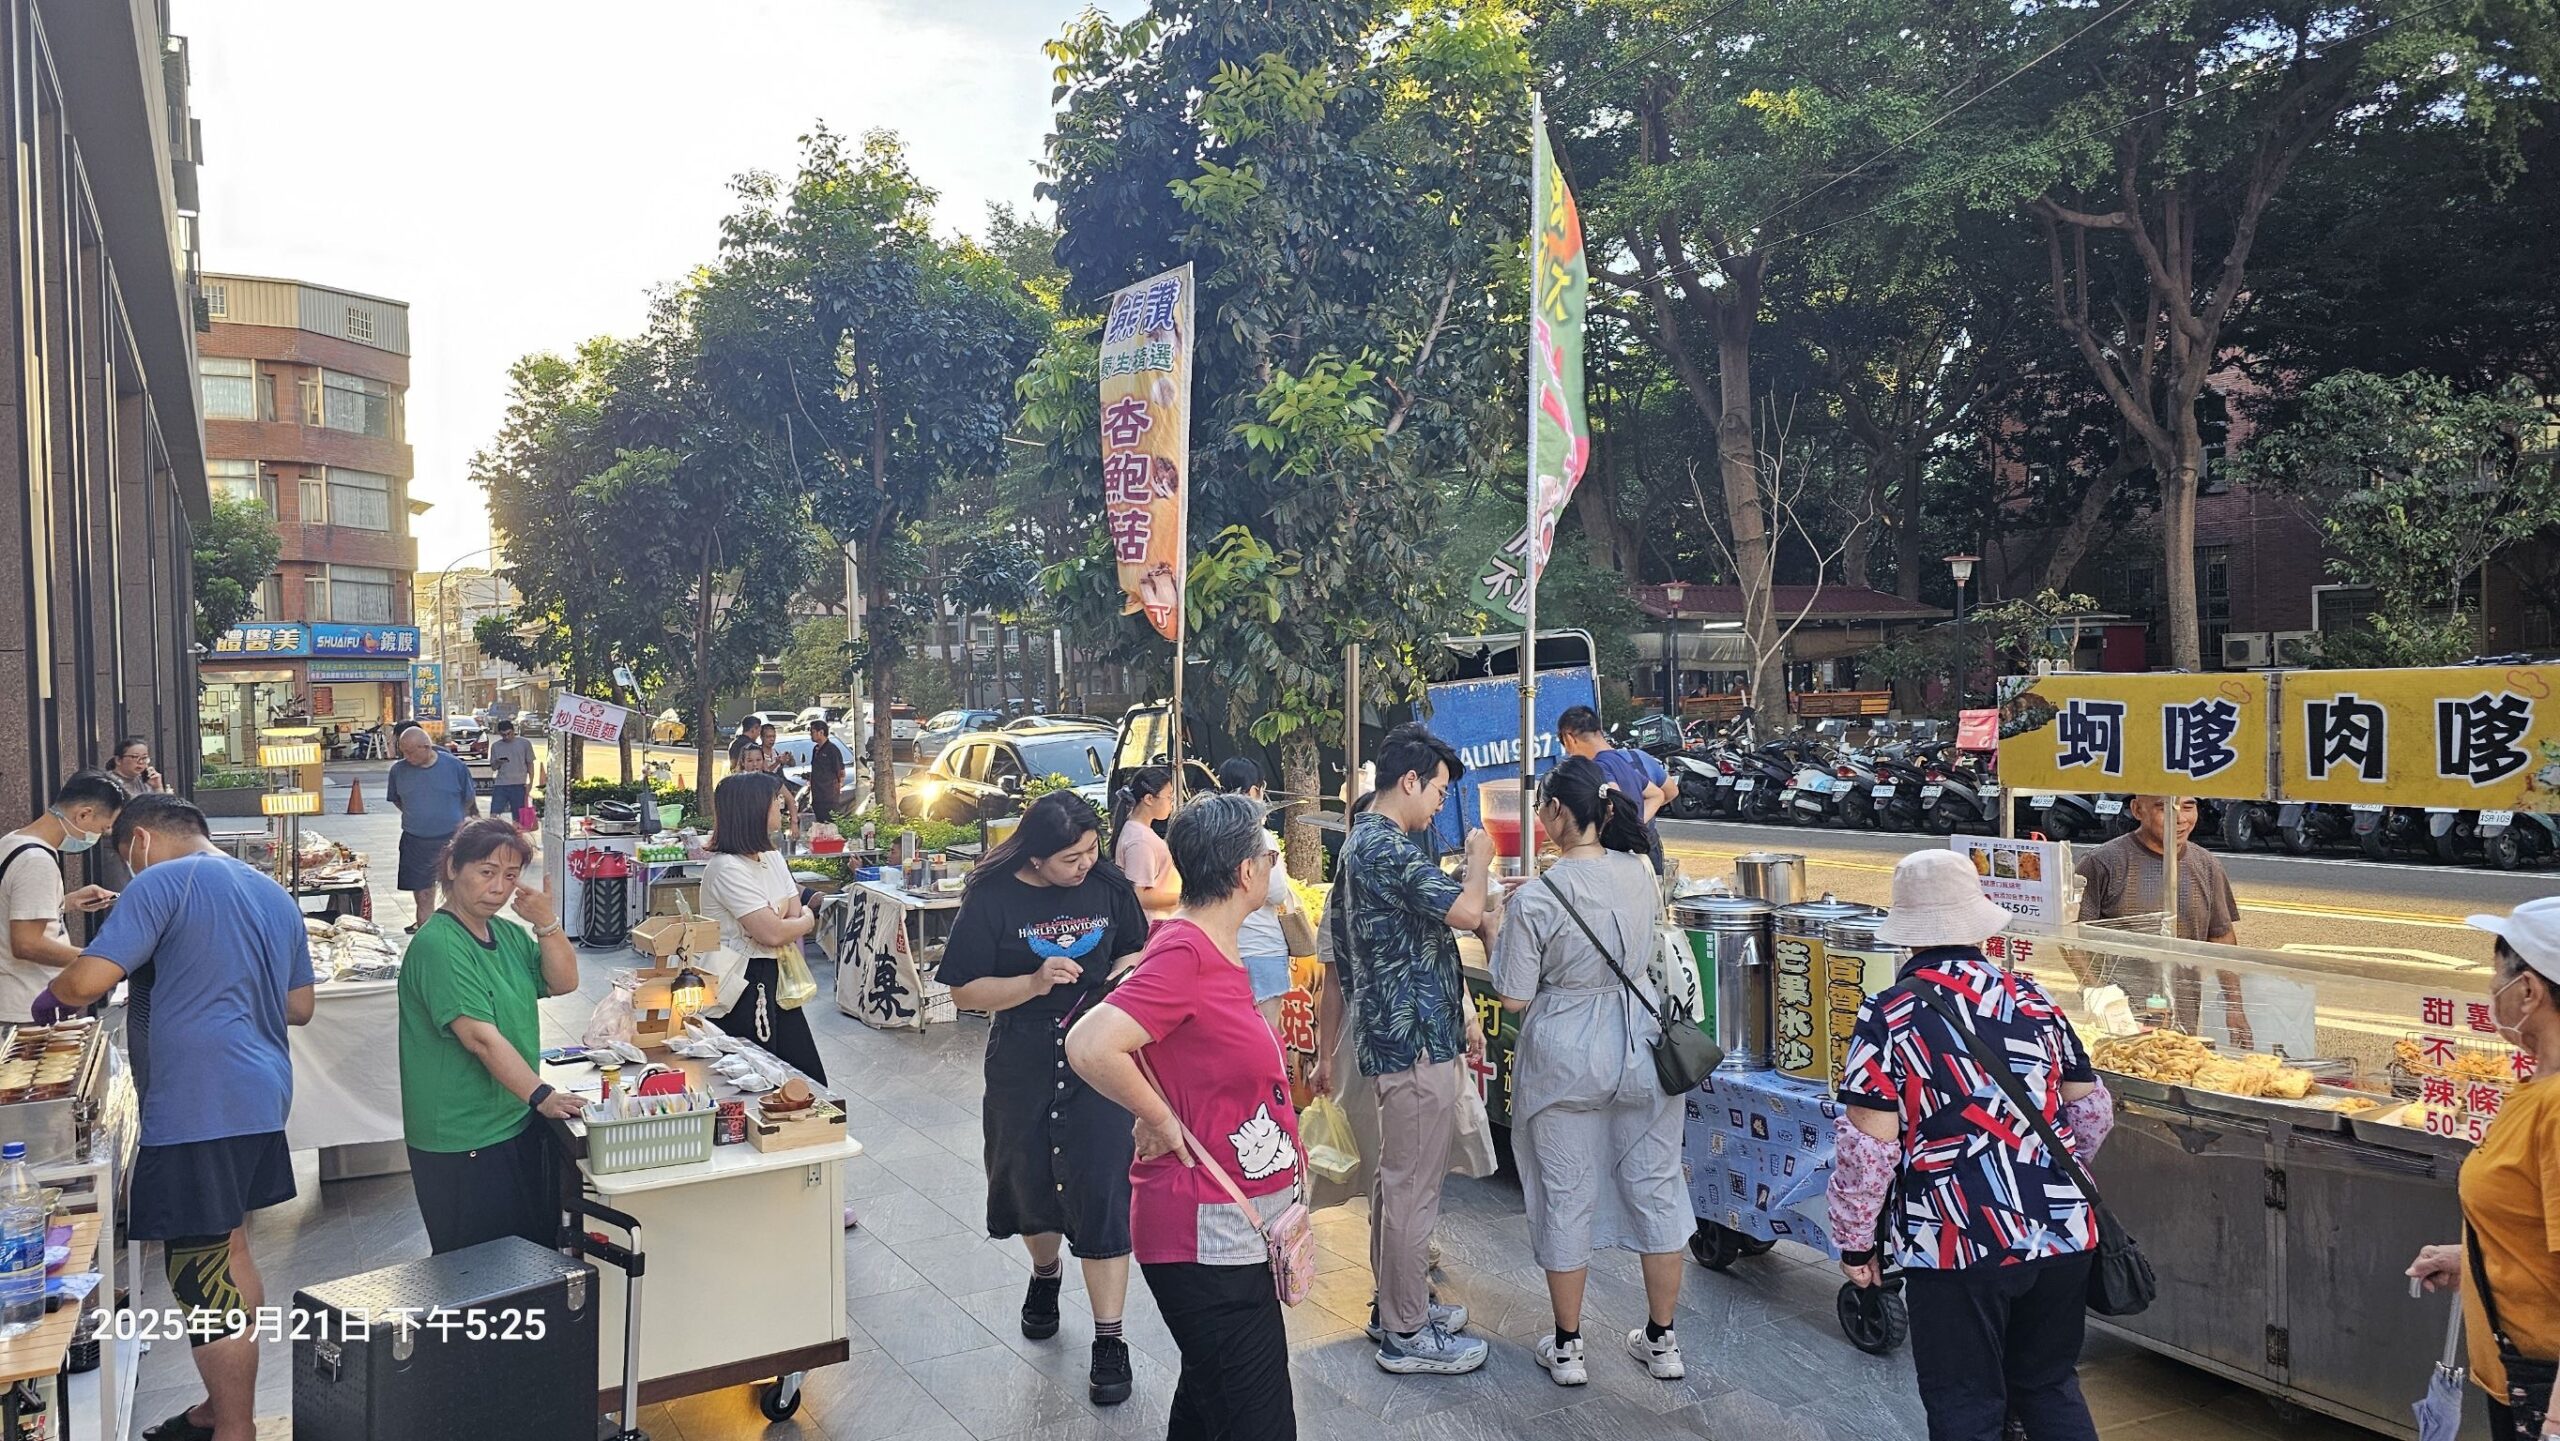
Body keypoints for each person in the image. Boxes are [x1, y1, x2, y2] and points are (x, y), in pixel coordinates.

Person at [40, 794, 314, 1441]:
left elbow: (85, 983)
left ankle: (235, 1427)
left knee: (196, 1266)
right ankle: (222, 1407)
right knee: (230, 1245)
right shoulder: (271, 892)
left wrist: (51, 995)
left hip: (198, 1101)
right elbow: (299, 1006)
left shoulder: (161, 881)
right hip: (261, 1093)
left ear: (139, 841)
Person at [1828, 849, 2115, 1441]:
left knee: (1966, 1402)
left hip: (1955, 1239)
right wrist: (2043, 1171)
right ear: (1978, 925)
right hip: (2063, 1231)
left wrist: (1857, 1244)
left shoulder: (1891, 1014)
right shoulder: (2033, 998)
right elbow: (2092, 1112)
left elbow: (1868, 1150)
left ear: (1909, 935)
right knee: (2048, 1385)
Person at [1067, 794, 1304, 1441]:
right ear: (1245, 872)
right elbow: (1090, 1044)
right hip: (1208, 1237)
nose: (1274, 863)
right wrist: (1162, 1119)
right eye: (1270, 853)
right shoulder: (1187, 952)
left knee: (1208, 1404)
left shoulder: (1209, 946)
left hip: (1234, 1230)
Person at [937, 792, 1151, 1408]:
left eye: (1091, 851)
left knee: (1103, 1187)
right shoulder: (993, 895)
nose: (1085, 865)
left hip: (1100, 1056)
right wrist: (1032, 982)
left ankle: (1110, 1338)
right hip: (1024, 1057)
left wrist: (1123, 976)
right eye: (1070, 859)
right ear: (1035, 857)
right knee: (1029, 1180)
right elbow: (963, 991)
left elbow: (1137, 947)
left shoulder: (1107, 883)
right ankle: (1045, 1271)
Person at [1491, 756, 1690, 1386]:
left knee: (1565, 1194)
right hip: (1641, 1044)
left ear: (1555, 812)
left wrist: (1497, 924)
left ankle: (1569, 1346)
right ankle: (1662, 1341)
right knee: (1657, 1187)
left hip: (1565, 1056)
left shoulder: (1537, 897)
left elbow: (1513, 995)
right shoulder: (1640, 870)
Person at [1315, 721, 1494, 1375]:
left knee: (1398, 1185)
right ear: (1410, 781)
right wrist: (1481, 858)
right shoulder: (1385, 846)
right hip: (1414, 1041)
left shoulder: (1362, 844)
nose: (1441, 805)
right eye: (1440, 791)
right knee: (1411, 1190)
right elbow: (1467, 912)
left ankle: (1395, 1306)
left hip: (1398, 1038)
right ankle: (1407, 1331)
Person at [2408, 899, 2560, 1439]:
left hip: (2544, 1397)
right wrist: (2478, 1262)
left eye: (2498, 974)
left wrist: (2555, 1423)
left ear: (2529, 991)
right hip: (2518, 1381)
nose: (2491, 987)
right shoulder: (2537, 1088)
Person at [398, 818, 585, 1254]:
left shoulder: (505, 933)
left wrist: (546, 923)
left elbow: (563, 982)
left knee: (525, 1259)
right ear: (452, 867)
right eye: (486, 872)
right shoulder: (440, 944)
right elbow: (478, 1038)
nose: (498, 887)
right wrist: (543, 1095)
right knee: (478, 1268)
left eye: (510, 875)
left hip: (511, 1118)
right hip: (463, 1136)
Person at [2074, 795, 2253, 1049]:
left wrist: (2234, 1006)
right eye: (2164, 807)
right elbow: (2072, 939)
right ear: (2137, 810)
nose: (2180, 818)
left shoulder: (2207, 865)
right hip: (2121, 1024)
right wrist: (2100, 996)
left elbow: (2222, 937)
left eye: (2188, 807)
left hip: (2183, 1022)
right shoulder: (2101, 863)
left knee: (2177, 1065)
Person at [696, 772, 829, 1083]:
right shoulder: (726, 868)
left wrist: (789, 920)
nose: (781, 805)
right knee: (755, 1079)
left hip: (776, 975)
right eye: (774, 800)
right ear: (753, 809)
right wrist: (806, 920)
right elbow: (773, 932)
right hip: (741, 982)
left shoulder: (771, 855)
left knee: (805, 1077)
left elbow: (788, 913)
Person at [0, 771, 125, 1017]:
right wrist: (98, 960)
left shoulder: (13, 841)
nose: (100, 835)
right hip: (26, 1003)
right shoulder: (36, 861)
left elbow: (11, 908)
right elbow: (26, 943)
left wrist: (68, 902)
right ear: (83, 814)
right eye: (103, 828)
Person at [1216, 757, 1299, 1031]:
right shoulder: (1259, 837)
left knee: (1233, 1031)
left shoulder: (1213, 835)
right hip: (1262, 946)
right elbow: (1275, 892)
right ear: (1254, 790)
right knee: (1267, 1032)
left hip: (1225, 946)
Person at [386, 725, 479, 934]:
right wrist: (419, 815)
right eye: (403, 752)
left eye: (411, 752)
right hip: (416, 841)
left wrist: (451, 818)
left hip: (451, 839)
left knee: (457, 892)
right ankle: (426, 938)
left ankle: (459, 936)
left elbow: (468, 799)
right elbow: (398, 800)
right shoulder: (398, 771)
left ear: (426, 747)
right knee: (424, 895)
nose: (407, 757)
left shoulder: (455, 767)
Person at [1556, 705, 1671, 873]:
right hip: (1640, 856)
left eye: (1566, 748)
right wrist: (1635, 824)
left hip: (1615, 861)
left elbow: (1615, 800)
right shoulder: (1619, 760)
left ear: (1569, 738)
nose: (1569, 754)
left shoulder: (1597, 768)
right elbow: (1657, 795)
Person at [1112, 765, 1181, 917]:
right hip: (1151, 924)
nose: (1171, 802)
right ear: (1149, 799)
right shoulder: (1140, 840)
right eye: (1169, 797)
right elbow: (1140, 896)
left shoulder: (1138, 831)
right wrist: (1183, 898)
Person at [486, 719, 538, 824]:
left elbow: (530, 765)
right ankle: (494, 832)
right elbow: (494, 767)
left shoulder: (524, 743)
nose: (506, 737)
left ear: (514, 731)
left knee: (518, 817)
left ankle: (516, 832)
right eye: (503, 735)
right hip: (501, 784)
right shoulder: (496, 746)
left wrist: (530, 783)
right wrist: (498, 762)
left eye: (509, 734)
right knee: (494, 814)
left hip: (519, 784)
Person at [806, 719, 847, 825]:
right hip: (817, 794)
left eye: (813, 732)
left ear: (821, 732)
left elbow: (840, 772)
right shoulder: (816, 749)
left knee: (830, 822)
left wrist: (837, 787)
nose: (811, 735)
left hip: (829, 795)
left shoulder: (832, 750)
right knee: (820, 823)